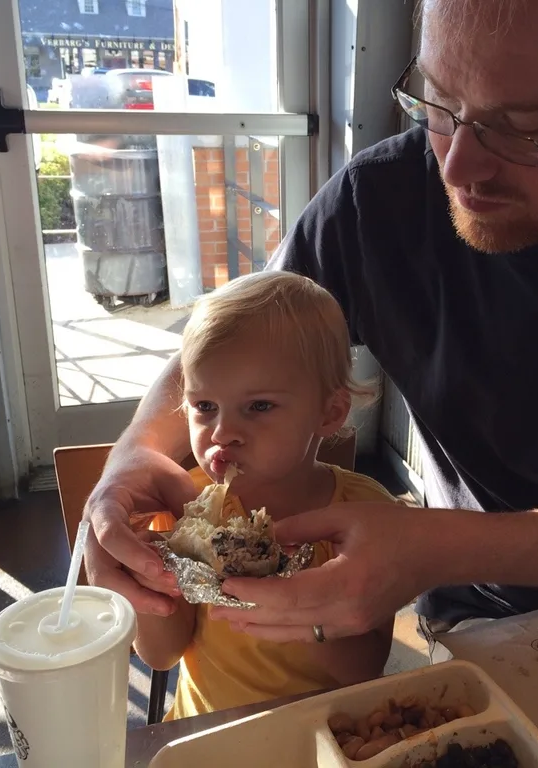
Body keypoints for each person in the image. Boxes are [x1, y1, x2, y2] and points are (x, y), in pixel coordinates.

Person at [84, 0, 538, 650]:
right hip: (487, 617)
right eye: (438, 103)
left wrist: (435, 545)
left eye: (524, 127)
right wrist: (130, 460)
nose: (456, 167)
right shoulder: (375, 201)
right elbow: (235, 343)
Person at [130, 271, 400, 717]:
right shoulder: (183, 504)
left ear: (328, 412)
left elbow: (365, 668)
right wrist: (149, 577)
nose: (222, 432)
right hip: (207, 732)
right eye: (205, 406)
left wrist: (296, 604)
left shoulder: (365, 515)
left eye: (259, 406)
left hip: (319, 735)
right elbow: (161, 655)